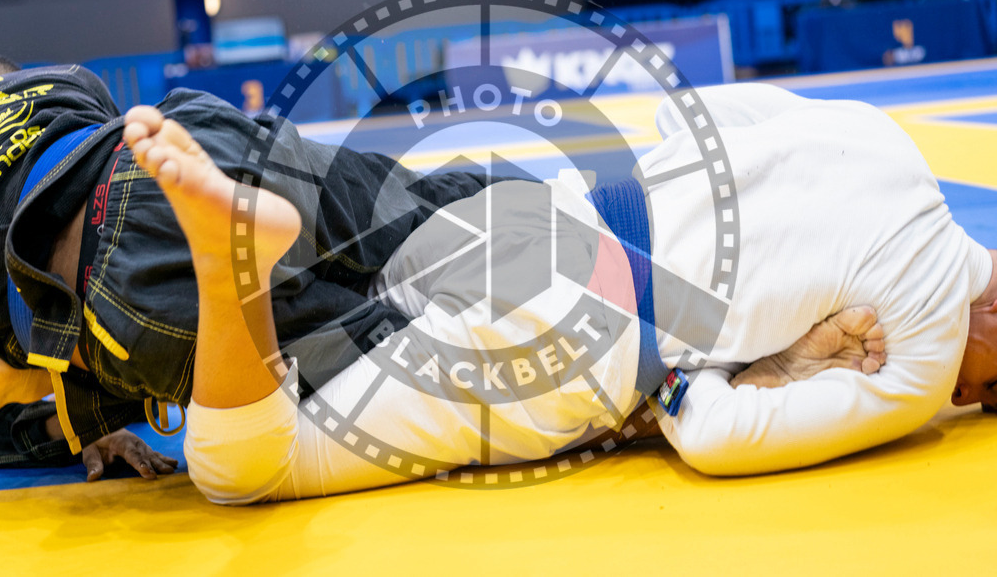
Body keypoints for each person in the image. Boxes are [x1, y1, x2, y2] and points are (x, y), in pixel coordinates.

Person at [119, 79, 987, 505]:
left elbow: (685, 120)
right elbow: (719, 439)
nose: (968, 397)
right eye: (988, 392)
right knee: (246, 468)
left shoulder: (877, 134)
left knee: (354, 297)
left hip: (539, 213)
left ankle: (247, 203)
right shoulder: (923, 353)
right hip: (590, 345)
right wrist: (770, 367)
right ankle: (227, 260)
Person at [0, 51, 510, 479]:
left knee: (401, 355)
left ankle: (224, 259)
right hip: (177, 148)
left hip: (125, 294)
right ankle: (581, 211)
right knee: (419, 204)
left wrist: (67, 410)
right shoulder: (54, 84)